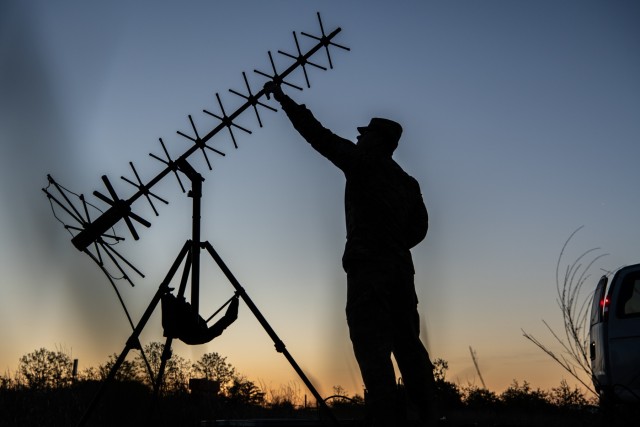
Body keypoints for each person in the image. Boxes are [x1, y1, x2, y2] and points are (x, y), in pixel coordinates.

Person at [264, 82, 437, 426]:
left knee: (372, 346)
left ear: (377, 141)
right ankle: (430, 416)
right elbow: (420, 229)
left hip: (369, 270)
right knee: (408, 346)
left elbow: (320, 137)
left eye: (365, 133)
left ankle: (385, 421)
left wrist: (285, 101)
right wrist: (393, 245)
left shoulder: (363, 163)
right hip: (402, 273)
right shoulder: (408, 181)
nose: (358, 137)